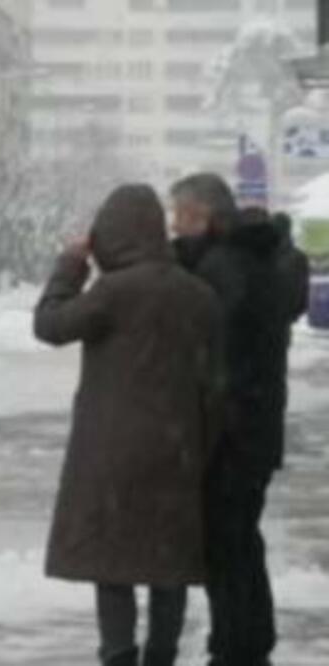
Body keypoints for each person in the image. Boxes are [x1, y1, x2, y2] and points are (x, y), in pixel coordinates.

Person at [34, 184, 222, 666]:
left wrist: (70, 267)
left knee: (112, 563)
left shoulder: (114, 292)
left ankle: (118, 655)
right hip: (177, 449)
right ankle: (162, 655)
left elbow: (51, 325)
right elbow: (214, 378)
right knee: (168, 565)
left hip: (113, 451)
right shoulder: (197, 293)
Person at [170, 173, 306, 666]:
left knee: (226, 544)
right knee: (241, 539)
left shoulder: (227, 267)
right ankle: (248, 642)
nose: (174, 227)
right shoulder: (254, 257)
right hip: (256, 428)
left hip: (234, 431)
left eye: (180, 217)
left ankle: (235, 648)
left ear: (204, 217)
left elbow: (212, 349)